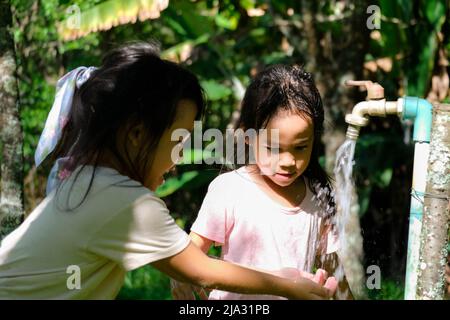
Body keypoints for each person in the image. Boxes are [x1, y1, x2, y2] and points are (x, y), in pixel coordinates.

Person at [0, 42, 336, 300]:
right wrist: (288, 284)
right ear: (136, 135)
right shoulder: (125, 202)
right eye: (178, 142)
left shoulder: (87, 180)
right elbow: (202, 270)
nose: (177, 161)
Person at [172, 65, 352, 300]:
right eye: (273, 147)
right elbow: (191, 253)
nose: (288, 161)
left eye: (300, 147)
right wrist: (180, 277)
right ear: (248, 137)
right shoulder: (230, 190)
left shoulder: (316, 196)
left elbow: (335, 274)